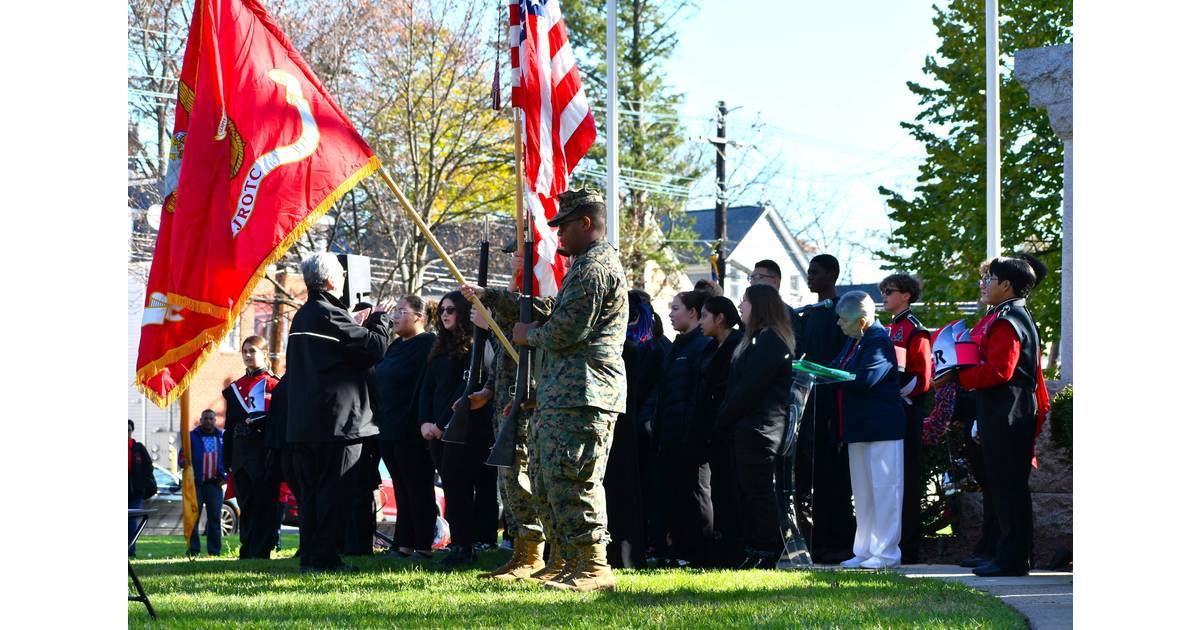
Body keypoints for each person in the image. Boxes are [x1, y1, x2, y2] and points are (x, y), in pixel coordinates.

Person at [462, 187, 629, 592]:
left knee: (574, 477)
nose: (557, 236)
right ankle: (569, 560)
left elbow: (566, 329)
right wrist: (501, 303)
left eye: (564, 226)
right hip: (564, 392)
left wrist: (527, 335)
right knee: (548, 477)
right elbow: (555, 312)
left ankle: (593, 565)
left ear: (585, 223)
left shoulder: (594, 268)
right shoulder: (582, 266)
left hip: (586, 393)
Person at [939, 254, 1050, 577]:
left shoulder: (1007, 319)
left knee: (1008, 486)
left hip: (1008, 408)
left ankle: (1012, 558)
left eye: (991, 279)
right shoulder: (1006, 314)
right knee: (1003, 486)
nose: (985, 284)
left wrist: (960, 375)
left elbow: (1000, 371)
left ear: (1007, 285)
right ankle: (1007, 554)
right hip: (1002, 407)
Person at [286, 251, 391, 574]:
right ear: (332, 280)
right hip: (337, 424)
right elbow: (374, 348)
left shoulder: (304, 315)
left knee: (312, 495)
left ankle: (311, 558)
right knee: (334, 491)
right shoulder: (330, 313)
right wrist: (378, 319)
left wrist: (354, 323)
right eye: (342, 278)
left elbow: (339, 354)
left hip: (305, 424)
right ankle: (325, 559)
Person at [474, 247, 556, 580]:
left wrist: (492, 306)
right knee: (507, 479)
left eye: (520, 254)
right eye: (512, 255)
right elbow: (507, 357)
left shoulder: (542, 294)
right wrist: (489, 389)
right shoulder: (512, 296)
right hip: (504, 399)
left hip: (527, 403)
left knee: (522, 476)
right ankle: (523, 550)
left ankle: (534, 552)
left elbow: (539, 329)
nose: (513, 260)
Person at [716, 284, 795, 568]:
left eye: (745, 301)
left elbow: (749, 389)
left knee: (760, 492)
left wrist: (723, 418)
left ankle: (767, 549)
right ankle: (754, 547)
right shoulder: (756, 340)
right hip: (748, 428)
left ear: (759, 306)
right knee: (748, 491)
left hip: (761, 429)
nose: (740, 304)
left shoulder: (771, 341)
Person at [829, 291, 907, 570]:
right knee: (863, 493)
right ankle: (864, 550)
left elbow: (865, 380)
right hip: (859, 427)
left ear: (861, 321)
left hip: (881, 428)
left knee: (884, 491)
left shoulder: (878, 340)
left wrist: (835, 375)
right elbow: (836, 366)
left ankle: (886, 553)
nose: (839, 323)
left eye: (843, 319)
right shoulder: (855, 341)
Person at [418, 290, 497, 567]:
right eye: (442, 310)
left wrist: (441, 425)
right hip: (436, 432)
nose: (445, 315)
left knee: (460, 488)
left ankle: (465, 545)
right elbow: (427, 389)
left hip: (463, 430)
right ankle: (460, 543)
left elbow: (465, 389)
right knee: (452, 487)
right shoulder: (439, 348)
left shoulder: (476, 347)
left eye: (451, 310)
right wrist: (425, 422)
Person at [791, 253, 854, 564]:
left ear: (832, 274)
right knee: (813, 476)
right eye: (808, 272)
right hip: (810, 404)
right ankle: (818, 540)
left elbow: (845, 356)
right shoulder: (810, 315)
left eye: (815, 272)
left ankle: (839, 541)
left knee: (834, 476)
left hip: (833, 405)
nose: (809, 277)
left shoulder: (841, 314)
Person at [645, 290, 715, 567]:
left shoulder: (700, 346)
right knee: (676, 495)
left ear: (693, 313)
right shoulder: (679, 345)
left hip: (690, 437)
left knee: (697, 495)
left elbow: (695, 394)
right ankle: (681, 550)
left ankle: (701, 553)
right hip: (670, 436)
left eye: (676, 308)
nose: (670, 313)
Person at [374, 295, 439, 560]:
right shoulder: (395, 346)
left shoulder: (429, 344)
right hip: (389, 429)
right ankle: (403, 543)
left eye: (402, 311)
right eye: (395, 311)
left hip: (413, 431)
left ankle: (422, 544)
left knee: (418, 487)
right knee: (401, 488)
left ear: (418, 317)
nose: (395, 316)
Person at [878, 273, 932, 564]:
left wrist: (892, 392)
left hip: (908, 410)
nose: (885, 295)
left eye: (891, 290)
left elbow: (922, 379)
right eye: (884, 291)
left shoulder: (915, 329)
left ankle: (909, 549)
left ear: (907, 295)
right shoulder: (889, 328)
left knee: (907, 481)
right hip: (892, 410)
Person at [692, 296, 744, 567]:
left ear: (720, 318)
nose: (700, 322)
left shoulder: (736, 346)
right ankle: (722, 548)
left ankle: (734, 549)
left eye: (704, 316)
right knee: (719, 490)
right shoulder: (711, 348)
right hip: (711, 429)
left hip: (729, 430)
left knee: (731, 490)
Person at [222, 335, 280, 560]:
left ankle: (261, 551)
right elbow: (228, 427)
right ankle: (247, 550)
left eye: (253, 351)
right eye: (245, 351)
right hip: (240, 457)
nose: (248, 355)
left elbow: (277, 422)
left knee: (264, 505)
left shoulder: (275, 385)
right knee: (245, 505)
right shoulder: (235, 388)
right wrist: (227, 460)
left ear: (264, 354)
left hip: (264, 455)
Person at [180, 409, 226, 557]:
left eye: (211, 419)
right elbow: (182, 456)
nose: (208, 421)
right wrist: (183, 462)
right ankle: (193, 550)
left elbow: (228, 458)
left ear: (215, 421)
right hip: (196, 484)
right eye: (205, 419)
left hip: (214, 484)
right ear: (200, 420)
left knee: (214, 518)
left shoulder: (222, 437)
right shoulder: (191, 436)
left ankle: (214, 551)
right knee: (194, 516)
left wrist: (225, 476)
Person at [129, 420, 156, 557]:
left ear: (132, 431)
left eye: (128, 430)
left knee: (131, 519)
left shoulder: (138, 448)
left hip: (135, 491)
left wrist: (143, 484)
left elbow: (148, 467)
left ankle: (130, 550)